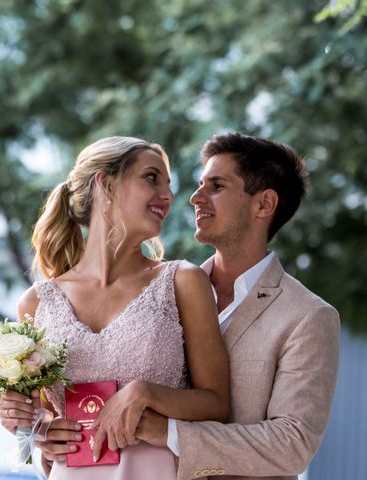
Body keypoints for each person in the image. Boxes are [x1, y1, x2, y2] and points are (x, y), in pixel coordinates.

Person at [0, 136, 229, 479]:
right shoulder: (37, 302)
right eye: (152, 178)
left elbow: (218, 404)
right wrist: (35, 424)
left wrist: (145, 393)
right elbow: (42, 417)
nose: (168, 195)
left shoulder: (182, 281)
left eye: (169, 184)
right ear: (106, 183)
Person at [133, 132, 340, 480]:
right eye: (200, 185)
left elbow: (291, 445)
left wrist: (169, 433)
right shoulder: (161, 293)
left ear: (264, 204)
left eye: (216, 186)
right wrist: (39, 423)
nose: (195, 198)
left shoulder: (309, 317)